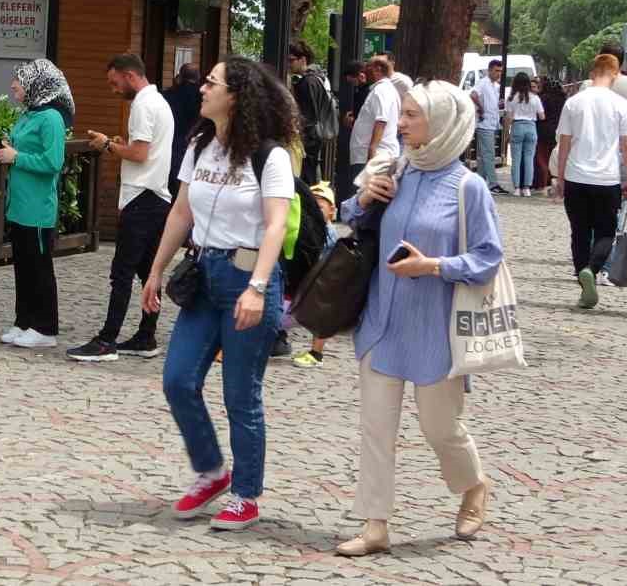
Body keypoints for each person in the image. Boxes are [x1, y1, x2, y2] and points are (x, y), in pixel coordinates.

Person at [334, 80, 500, 557]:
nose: (401, 124)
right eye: (402, 114)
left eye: (412, 116)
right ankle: (375, 525)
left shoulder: (469, 188)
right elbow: (350, 218)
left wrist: (433, 266)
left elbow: (489, 257)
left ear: (443, 123)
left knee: (439, 428)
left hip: (435, 331)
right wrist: (365, 199)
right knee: (376, 428)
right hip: (382, 322)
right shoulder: (396, 170)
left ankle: (473, 484)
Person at [138, 58, 295, 531]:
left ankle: (246, 494)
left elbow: (276, 226)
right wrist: (155, 271)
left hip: (248, 278)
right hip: (205, 275)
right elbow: (181, 213)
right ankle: (211, 471)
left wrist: (257, 288)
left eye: (212, 82)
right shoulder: (200, 145)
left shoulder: (271, 156)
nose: (201, 87)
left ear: (237, 96)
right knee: (178, 379)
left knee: (240, 395)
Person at [70, 54, 169, 361]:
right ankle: (146, 335)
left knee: (122, 272)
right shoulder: (160, 103)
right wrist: (123, 144)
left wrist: (107, 145)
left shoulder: (141, 105)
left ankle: (107, 339)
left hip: (140, 197)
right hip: (158, 196)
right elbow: (147, 151)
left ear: (129, 75)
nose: (114, 90)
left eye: (114, 83)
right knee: (147, 271)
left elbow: (139, 154)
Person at [0, 59, 73, 350]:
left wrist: (16, 157)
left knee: (39, 268)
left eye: (20, 80)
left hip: (38, 209)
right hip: (20, 205)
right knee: (23, 267)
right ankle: (24, 320)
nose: (14, 86)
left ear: (36, 85)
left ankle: (45, 326)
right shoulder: (29, 114)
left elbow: (54, 161)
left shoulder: (51, 118)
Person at [557, 54, 627, 310]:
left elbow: (564, 144)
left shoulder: (574, 102)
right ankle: (592, 269)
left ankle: (584, 280)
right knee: (605, 232)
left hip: (576, 176)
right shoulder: (620, 104)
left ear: (593, 72)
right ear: (615, 73)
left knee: (579, 231)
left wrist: (560, 177)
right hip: (607, 178)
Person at [288, 181, 338, 370]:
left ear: (332, 211)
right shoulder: (304, 229)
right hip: (302, 284)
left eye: (319, 207)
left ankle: (316, 352)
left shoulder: (329, 233)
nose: (314, 211)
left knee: (323, 313)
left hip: (318, 284)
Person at [347, 56, 401, 188]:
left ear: (378, 69)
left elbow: (381, 120)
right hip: (370, 155)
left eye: (368, 67)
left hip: (373, 156)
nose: (364, 71)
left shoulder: (381, 90)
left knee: (364, 197)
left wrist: (372, 151)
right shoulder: (381, 89)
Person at [288, 41, 332, 183]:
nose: (289, 64)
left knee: (305, 177)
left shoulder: (307, 83)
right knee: (311, 173)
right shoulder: (319, 79)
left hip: (308, 136)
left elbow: (307, 114)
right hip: (316, 134)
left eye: (291, 60)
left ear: (303, 59)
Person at [470, 59, 508, 195]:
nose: (499, 74)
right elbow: (473, 95)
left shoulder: (495, 86)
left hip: (492, 123)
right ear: (490, 70)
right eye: (496, 71)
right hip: (484, 124)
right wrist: (480, 108)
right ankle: (493, 183)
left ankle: (480, 182)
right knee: (489, 154)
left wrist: (498, 105)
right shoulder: (483, 83)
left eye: (500, 72)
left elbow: (493, 103)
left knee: (484, 155)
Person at [163, 63, 202, 195]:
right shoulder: (203, 97)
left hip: (171, 145)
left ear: (179, 76)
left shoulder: (168, 95)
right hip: (195, 145)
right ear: (198, 77)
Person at [505, 72, 543, 197]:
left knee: (516, 159)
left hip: (517, 126)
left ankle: (517, 188)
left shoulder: (511, 98)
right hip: (531, 127)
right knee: (529, 158)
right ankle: (526, 188)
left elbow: (509, 118)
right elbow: (542, 116)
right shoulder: (535, 98)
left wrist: (507, 133)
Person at [535, 77, 566, 192]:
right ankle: (551, 179)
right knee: (551, 157)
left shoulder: (543, 98)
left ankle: (543, 181)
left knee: (542, 157)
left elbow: (540, 115)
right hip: (556, 130)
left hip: (542, 131)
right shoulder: (563, 99)